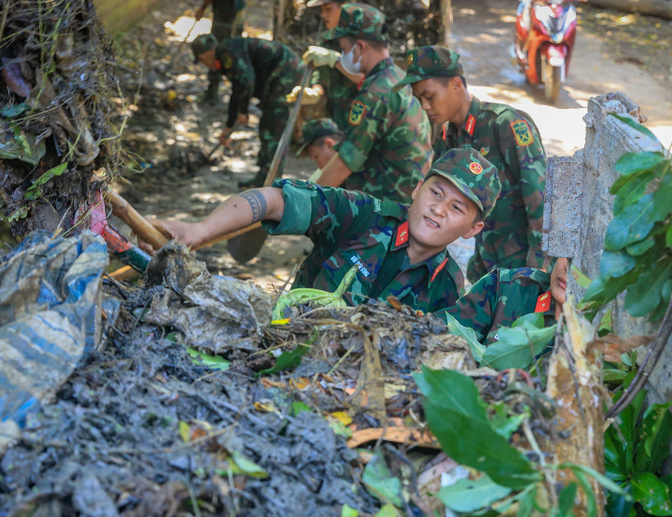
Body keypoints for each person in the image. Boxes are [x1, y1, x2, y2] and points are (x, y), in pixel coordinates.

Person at [149, 147, 501, 313]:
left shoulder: (448, 288)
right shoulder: (363, 216)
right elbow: (274, 201)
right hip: (281, 345)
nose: (438, 209)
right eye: (435, 192)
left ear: (472, 229)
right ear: (416, 189)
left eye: (457, 208)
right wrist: (199, 231)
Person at [397, 45, 547, 282]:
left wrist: (536, 274)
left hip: (521, 267)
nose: (424, 106)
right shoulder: (450, 140)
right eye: (419, 99)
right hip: (485, 266)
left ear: (456, 84)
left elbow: (542, 205)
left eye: (429, 96)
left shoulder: (505, 125)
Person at [305, 3, 433, 204]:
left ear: (360, 47)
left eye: (345, 49)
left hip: (386, 207)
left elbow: (344, 163)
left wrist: (305, 200)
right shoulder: (397, 77)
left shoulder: (375, 93)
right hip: (409, 197)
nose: (343, 54)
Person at [191, 34, 306, 188]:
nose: (205, 64)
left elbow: (246, 80)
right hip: (280, 73)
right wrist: (229, 125)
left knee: (273, 127)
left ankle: (271, 181)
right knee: (268, 126)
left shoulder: (227, 52)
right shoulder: (227, 54)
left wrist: (243, 111)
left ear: (204, 55)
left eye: (202, 61)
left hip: (285, 71)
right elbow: (237, 88)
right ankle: (265, 177)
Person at [441, 257, 569, 344]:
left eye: (587, 264)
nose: (569, 268)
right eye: (570, 256)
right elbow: (437, 336)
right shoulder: (509, 287)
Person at [286, 0, 361, 131]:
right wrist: (316, 92)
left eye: (328, 9)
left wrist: (335, 60)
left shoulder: (366, 37)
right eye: (322, 10)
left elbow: (367, 77)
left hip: (363, 118)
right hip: (337, 117)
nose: (323, 15)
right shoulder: (328, 40)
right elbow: (321, 73)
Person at [193, 0, 246, 104]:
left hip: (226, 14)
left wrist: (202, 8)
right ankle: (238, 95)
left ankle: (213, 92)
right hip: (236, 13)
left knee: (216, 51)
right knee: (232, 50)